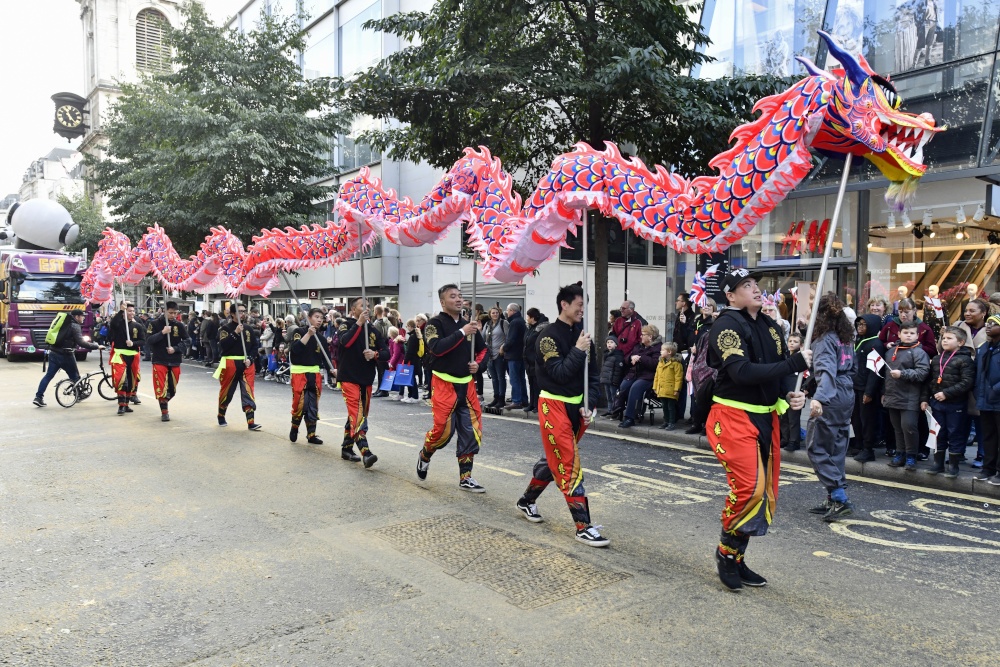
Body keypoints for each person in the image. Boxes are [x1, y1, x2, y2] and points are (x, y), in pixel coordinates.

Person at [705, 268, 810, 591]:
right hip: (733, 417)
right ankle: (725, 553)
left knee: (763, 494)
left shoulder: (771, 326)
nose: (755, 289)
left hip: (765, 419)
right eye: (746, 286)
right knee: (749, 488)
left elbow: (772, 376)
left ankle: (737, 557)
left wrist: (788, 395)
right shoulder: (725, 326)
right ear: (731, 296)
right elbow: (742, 373)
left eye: (755, 284)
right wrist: (792, 364)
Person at [514, 283, 607, 546]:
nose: (582, 310)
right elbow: (560, 373)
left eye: (584, 305)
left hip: (577, 408)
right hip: (553, 406)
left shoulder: (582, 334)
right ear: (564, 305)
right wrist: (578, 350)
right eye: (579, 305)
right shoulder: (547, 337)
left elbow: (593, 375)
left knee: (554, 458)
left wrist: (590, 404)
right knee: (568, 461)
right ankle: (583, 526)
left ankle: (527, 500)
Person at [417, 284, 488, 492]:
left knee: (471, 430)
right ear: (442, 302)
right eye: (452, 296)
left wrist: (478, 365)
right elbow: (436, 348)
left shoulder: (470, 325)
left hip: (467, 386)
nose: (458, 299)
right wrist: (461, 332)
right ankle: (425, 454)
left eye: (460, 295)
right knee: (443, 432)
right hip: (443, 385)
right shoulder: (434, 324)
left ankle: (466, 477)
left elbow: (483, 351)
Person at [805, 293, 858, 521]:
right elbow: (849, 367)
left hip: (832, 393)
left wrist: (820, 397)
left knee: (817, 446)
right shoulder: (844, 337)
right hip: (847, 392)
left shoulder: (825, 339)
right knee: (836, 447)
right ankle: (834, 497)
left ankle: (839, 497)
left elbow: (826, 370)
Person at [337, 296, 387, 467]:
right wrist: (358, 323)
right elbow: (345, 342)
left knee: (358, 414)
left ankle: (346, 447)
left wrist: (375, 354)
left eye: (368, 305)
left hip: (366, 380)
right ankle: (366, 452)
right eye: (362, 305)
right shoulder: (346, 324)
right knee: (358, 416)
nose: (366, 307)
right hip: (349, 378)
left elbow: (387, 352)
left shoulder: (374, 330)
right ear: (353, 310)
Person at [921, 326, 974, 476]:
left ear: (961, 342)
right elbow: (929, 381)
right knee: (938, 433)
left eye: (949, 338)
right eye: (943, 338)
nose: (944, 340)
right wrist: (925, 398)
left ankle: (953, 466)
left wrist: (946, 393)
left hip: (956, 404)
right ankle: (937, 464)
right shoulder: (937, 359)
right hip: (938, 404)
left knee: (955, 433)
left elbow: (967, 382)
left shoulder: (965, 360)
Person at [883, 322, 930, 470]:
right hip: (892, 395)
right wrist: (884, 393)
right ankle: (900, 453)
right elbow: (886, 375)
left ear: (917, 336)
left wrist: (902, 374)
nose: (908, 335)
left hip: (910, 396)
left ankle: (911, 456)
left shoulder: (919, 352)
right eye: (905, 333)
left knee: (909, 426)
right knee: (897, 427)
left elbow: (923, 373)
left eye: (912, 333)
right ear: (899, 334)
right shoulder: (890, 352)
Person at [33, 309, 104, 407]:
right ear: (76, 317)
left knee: (48, 376)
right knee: (75, 376)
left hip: (54, 353)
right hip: (66, 354)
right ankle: (78, 395)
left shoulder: (63, 323)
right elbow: (81, 342)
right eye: (82, 316)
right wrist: (96, 346)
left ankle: (38, 397)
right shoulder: (74, 326)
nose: (83, 318)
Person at [289, 308, 335, 445]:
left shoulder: (321, 338)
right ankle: (295, 426)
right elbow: (295, 350)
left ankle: (311, 434)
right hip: (299, 373)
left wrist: (332, 371)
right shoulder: (299, 332)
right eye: (316, 317)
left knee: (313, 405)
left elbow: (326, 357)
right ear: (309, 318)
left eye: (321, 317)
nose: (319, 320)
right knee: (300, 404)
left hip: (314, 374)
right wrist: (308, 335)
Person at [214, 303, 262, 430]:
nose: (243, 314)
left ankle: (251, 421)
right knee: (227, 392)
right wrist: (235, 333)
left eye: (244, 311)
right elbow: (223, 346)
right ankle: (221, 414)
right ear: (233, 314)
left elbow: (254, 346)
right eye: (240, 312)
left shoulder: (249, 329)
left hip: (246, 364)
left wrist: (250, 358)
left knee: (248, 391)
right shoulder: (225, 329)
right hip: (230, 363)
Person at [851, 315, 887, 462]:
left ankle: (868, 449)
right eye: (858, 324)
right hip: (855, 385)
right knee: (856, 418)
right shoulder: (859, 341)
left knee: (867, 419)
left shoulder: (875, 344)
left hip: (866, 388)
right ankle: (858, 444)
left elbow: (875, 371)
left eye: (864, 324)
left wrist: (869, 391)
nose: (860, 327)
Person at [612, 325, 661, 429]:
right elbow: (627, 359)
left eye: (643, 335)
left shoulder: (658, 347)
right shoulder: (638, 346)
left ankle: (629, 418)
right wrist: (631, 358)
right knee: (624, 385)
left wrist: (640, 358)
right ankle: (618, 408)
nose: (641, 337)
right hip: (634, 373)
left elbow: (655, 364)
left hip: (648, 376)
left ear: (650, 337)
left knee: (635, 388)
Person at [146, 301, 188, 422]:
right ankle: (164, 411)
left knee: (172, 389)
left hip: (174, 360)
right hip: (159, 359)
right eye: (170, 313)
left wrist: (175, 348)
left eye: (175, 313)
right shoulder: (153, 324)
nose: (173, 315)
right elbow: (148, 341)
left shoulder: (179, 325)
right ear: (164, 311)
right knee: (161, 387)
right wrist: (162, 333)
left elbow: (187, 340)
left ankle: (164, 401)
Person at [973, 315, 1000, 485]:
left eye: (994, 324)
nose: (988, 326)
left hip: (997, 398)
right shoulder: (984, 347)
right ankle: (987, 469)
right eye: (988, 323)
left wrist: (994, 390)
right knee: (988, 437)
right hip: (985, 400)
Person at [109, 302, 145, 415]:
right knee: (121, 380)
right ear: (124, 312)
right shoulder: (119, 324)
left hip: (133, 355)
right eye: (129, 311)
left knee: (131, 380)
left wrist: (133, 343)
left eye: (133, 311)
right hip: (120, 355)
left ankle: (127, 404)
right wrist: (120, 310)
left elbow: (143, 340)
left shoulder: (137, 325)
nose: (132, 313)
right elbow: (113, 323)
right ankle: (121, 405)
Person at [780, 333, 805, 452]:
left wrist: (804, 389)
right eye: (790, 341)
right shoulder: (785, 356)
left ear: (800, 345)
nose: (791, 343)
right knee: (784, 417)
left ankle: (794, 441)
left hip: (795, 391)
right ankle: (785, 438)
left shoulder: (801, 357)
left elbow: (807, 374)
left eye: (795, 342)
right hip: (784, 390)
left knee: (793, 418)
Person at [522, 308, 550, 413]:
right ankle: (532, 404)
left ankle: (538, 404)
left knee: (538, 384)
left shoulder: (541, 329)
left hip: (536, 361)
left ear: (533, 318)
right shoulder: (530, 328)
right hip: (528, 361)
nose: (527, 318)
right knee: (531, 383)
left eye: (528, 316)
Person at [653, 341, 683, 430]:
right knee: (664, 407)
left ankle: (671, 422)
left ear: (669, 352)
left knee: (671, 407)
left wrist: (677, 389)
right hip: (662, 389)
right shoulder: (660, 362)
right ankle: (666, 421)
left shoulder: (676, 364)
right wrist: (655, 387)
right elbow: (657, 376)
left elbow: (679, 378)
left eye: (662, 350)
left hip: (671, 390)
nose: (660, 351)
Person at [483, 307, 508, 408]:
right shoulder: (488, 324)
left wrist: (503, 347)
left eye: (497, 313)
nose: (495, 314)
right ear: (490, 314)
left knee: (501, 377)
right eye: (493, 313)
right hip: (490, 354)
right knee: (494, 378)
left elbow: (508, 336)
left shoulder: (504, 323)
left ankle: (501, 399)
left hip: (500, 354)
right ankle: (496, 397)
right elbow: (483, 337)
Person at [505, 303, 528, 409]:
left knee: (514, 379)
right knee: (521, 378)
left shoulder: (514, 322)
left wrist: (504, 348)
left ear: (512, 311)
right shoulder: (521, 320)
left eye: (508, 310)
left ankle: (516, 400)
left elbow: (511, 339)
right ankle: (523, 399)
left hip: (513, 355)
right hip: (521, 354)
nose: (506, 312)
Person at [600, 337, 625, 417]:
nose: (609, 344)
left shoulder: (618, 356)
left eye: (611, 342)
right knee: (609, 397)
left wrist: (615, 381)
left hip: (613, 381)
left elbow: (618, 370)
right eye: (608, 342)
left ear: (616, 344)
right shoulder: (606, 354)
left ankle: (615, 411)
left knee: (614, 397)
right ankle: (610, 410)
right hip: (607, 379)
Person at [399, 319, 422, 403]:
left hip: (411, 360)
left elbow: (409, 351)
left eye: (407, 326)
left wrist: (405, 360)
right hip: (415, 359)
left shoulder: (412, 337)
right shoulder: (417, 335)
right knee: (410, 378)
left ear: (410, 326)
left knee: (411, 379)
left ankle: (414, 396)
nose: (407, 328)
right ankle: (410, 395)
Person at [371, 305, 392, 397]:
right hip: (387, 347)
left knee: (381, 370)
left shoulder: (376, 324)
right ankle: (382, 389)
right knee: (383, 370)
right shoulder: (388, 322)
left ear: (376, 312)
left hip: (379, 348)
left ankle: (382, 389)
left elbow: (375, 337)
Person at [386, 326, 404, 400]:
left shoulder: (395, 342)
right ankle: (401, 393)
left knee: (400, 379)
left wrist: (391, 362)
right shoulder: (397, 340)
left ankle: (401, 394)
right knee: (401, 378)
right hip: (399, 361)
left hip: (398, 362)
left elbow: (395, 353)